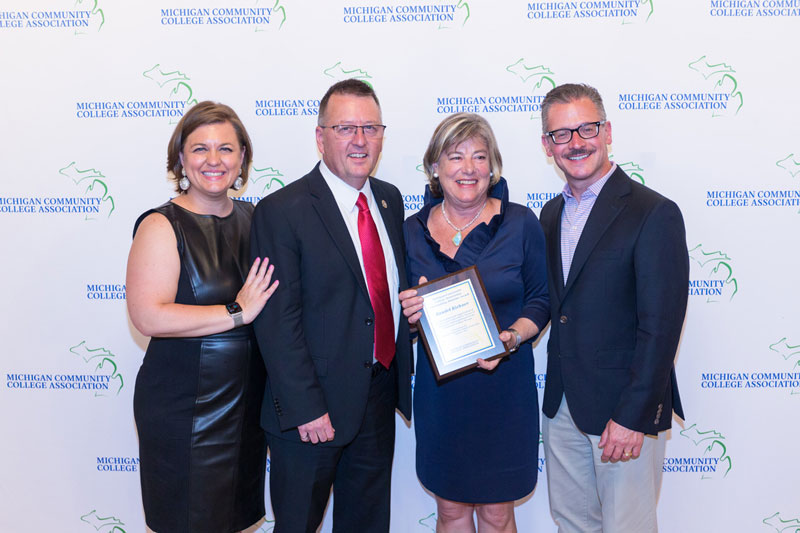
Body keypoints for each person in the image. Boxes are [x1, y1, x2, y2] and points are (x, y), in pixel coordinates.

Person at [250, 79, 412, 533]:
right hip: (310, 412)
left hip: (377, 401)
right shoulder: (282, 210)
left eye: (370, 128)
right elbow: (277, 321)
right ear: (320, 137)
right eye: (345, 128)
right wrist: (305, 408)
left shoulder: (389, 199)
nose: (360, 140)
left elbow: (379, 294)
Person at [537, 83, 689, 532]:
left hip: (622, 413)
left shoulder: (653, 212)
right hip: (562, 408)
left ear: (607, 132)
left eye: (587, 128)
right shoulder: (549, 214)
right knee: (573, 525)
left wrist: (632, 417)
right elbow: (551, 304)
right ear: (547, 146)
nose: (576, 142)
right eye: (561, 134)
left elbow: (661, 326)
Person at [126, 101, 279, 533]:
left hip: (247, 409)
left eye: (226, 149)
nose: (214, 161)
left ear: (243, 157)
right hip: (184, 411)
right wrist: (236, 312)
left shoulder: (258, 218)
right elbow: (148, 315)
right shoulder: (161, 225)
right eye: (200, 149)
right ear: (180, 158)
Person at [399, 113, 550, 533]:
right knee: (449, 513)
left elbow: (541, 300)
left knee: (498, 515)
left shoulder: (521, 222)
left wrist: (511, 338)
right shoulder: (410, 232)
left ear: (493, 167)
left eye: (479, 157)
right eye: (455, 157)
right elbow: (398, 317)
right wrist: (409, 317)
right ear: (435, 167)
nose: (469, 168)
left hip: (503, 391)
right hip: (442, 394)